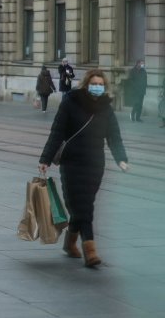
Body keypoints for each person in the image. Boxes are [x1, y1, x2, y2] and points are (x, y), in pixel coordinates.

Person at [38, 69, 128, 267]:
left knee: (83, 205)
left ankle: (70, 243)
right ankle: (90, 250)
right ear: (86, 85)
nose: (97, 87)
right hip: (71, 163)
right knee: (82, 206)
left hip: (95, 164)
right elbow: (57, 132)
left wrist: (121, 159)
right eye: (94, 83)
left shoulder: (106, 108)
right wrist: (45, 158)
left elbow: (114, 136)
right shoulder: (71, 102)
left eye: (101, 84)